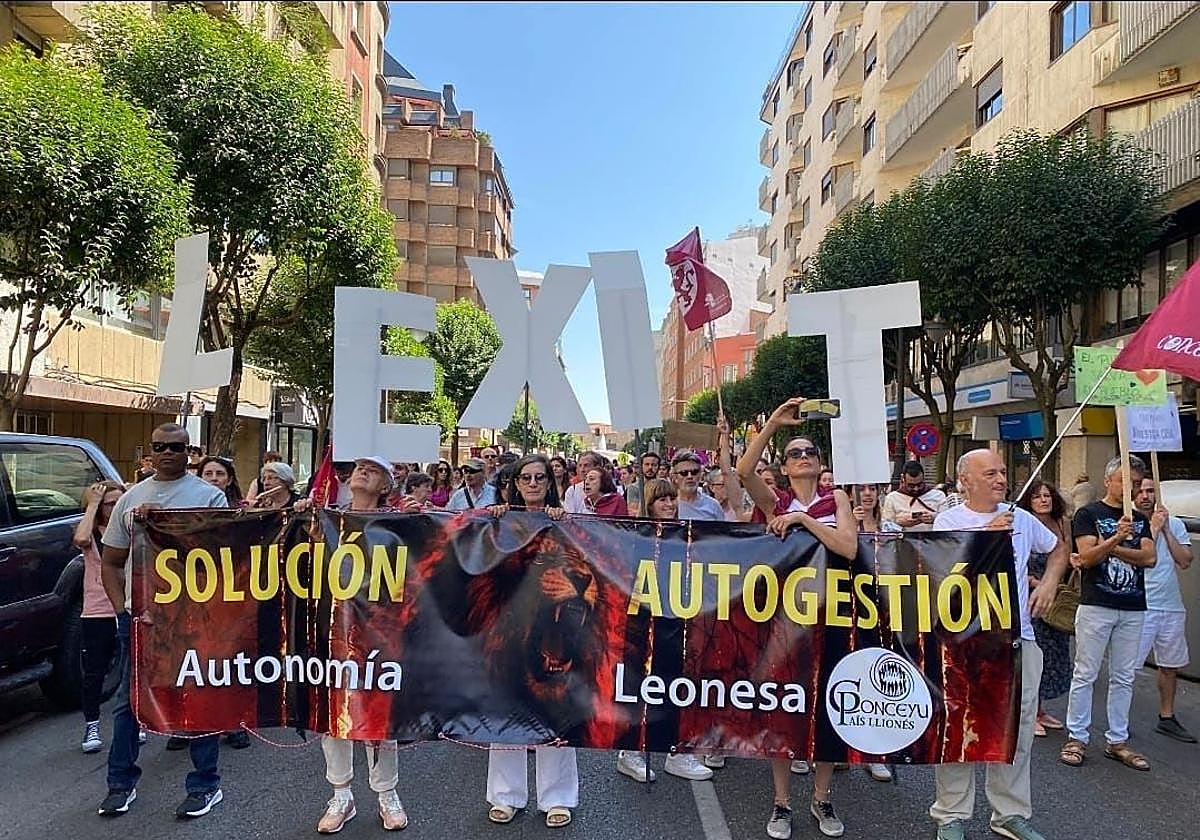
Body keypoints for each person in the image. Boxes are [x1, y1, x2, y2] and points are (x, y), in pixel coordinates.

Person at [737, 398, 861, 840]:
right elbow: (743, 471)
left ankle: (822, 798)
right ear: (785, 468)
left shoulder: (837, 498)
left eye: (810, 452)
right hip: (786, 623)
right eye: (795, 454)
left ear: (819, 463)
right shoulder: (777, 501)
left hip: (834, 618)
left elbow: (847, 547)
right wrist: (772, 421)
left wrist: (803, 522)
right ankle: (782, 802)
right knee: (783, 709)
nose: (803, 457)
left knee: (831, 708)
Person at [930, 449, 1065, 840]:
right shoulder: (948, 520)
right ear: (965, 481)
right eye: (989, 473)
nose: (1000, 478)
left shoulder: (1021, 518)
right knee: (959, 727)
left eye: (1003, 471)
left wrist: (1052, 580)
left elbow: (1057, 548)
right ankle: (951, 814)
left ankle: (1009, 813)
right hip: (963, 644)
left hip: (1017, 641)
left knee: (1018, 731)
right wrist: (982, 540)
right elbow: (937, 573)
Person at [98, 423, 229, 819]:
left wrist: (170, 525)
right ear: (150, 452)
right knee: (129, 704)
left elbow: (222, 555)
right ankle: (120, 785)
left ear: (189, 452)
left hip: (192, 618)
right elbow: (110, 561)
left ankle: (206, 785)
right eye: (160, 446)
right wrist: (122, 607)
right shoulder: (130, 499)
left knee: (197, 696)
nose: (168, 452)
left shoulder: (209, 496)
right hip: (142, 619)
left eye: (177, 447)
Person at [313, 456, 408, 833]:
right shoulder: (325, 519)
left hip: (379, 632)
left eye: (374, 469)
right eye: (359, 467)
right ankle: (341, 794)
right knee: (333, 712)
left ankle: (386, 793)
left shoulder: (396, 524)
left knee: (379, 713)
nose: (362, 472)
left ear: (386, 485)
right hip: (332, 626)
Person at [483, 455, 577, 829]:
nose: (534, 483)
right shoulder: (501, 520)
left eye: (541, 477)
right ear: (516, 483)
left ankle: (557, 797)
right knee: (507, 709)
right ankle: (505, 796)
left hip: (555, 629)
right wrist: (493, 519)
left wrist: (567, 526)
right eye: (527, 477)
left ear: (550, 482)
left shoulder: (566, 520)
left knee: (554, 709)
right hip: (509, 628)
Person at [1061, 456, 1157, 773]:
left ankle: (1117, 739)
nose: (1128, 487)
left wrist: (1112, 547)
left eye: (1134, 482)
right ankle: (1077, 736)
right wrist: (1116, 538)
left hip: (1132, 607)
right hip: (1096, 605)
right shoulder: (1089, 514)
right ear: (1108, 481)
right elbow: (1085, 557)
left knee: (1124, 676)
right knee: (1085, 672)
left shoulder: (1140, 519)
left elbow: (1149, 558)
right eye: (1123, 480)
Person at [1133, 475, 1195, 743]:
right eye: (1142, 491)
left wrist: (1167, 529)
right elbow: (1140, 558)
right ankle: (1117, 719)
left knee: (1170, 665)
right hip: (1140, 605)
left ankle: (1167, 716)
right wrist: (1153, 529)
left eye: (1151, 491)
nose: (1146, 496)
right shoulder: (1130, 523)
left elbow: (1185, 560)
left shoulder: (1177, 524)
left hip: (1170, 605)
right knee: (1128, 667)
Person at [1018, 481, 1073, 737]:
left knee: (1053, 656)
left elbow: (1063, 554)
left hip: (1055, 597)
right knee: (1034, 653)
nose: (1044, 500)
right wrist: (1034, 582)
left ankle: (1040, 709)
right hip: (1030, 597)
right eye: (1038, 496)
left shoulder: (1062, 523)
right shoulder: (1023, 522)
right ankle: (1028, 712)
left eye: (1047, 495)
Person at [75, 480, 125, 754]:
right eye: (110, 503)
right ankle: (92, 723)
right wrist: (93, 505)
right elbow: (80, 539)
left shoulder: (130, 529)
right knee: (95, 668)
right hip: (98, 607)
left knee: (135, 668)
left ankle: (136, 720)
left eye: (120, 502)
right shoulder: (93, 533)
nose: (115, 508)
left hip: (129, 604)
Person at [881, 460, 946, 532]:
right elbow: (885, 526)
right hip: (903, 541)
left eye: (919, 484)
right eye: (911, 486)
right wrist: (899, 523)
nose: (916, 489)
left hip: (933, 540)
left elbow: (948, 521)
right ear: (903, 479)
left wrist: (934, 518)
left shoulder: (938, 495)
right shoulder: (892, 498)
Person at [671, 451, 724, 522]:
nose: (689, 476)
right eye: (684, 473)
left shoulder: (713, 506)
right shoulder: (669, 506)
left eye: (694, 472)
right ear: (675, 478)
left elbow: (722, 532)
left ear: (700, 475)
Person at [623, 451, 661, 517]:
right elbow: (633, 512)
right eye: (647, 464)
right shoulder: (634, 488)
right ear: (641, 466)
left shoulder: (663, 487)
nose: (650, 467)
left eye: (654, 465)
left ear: (658, 467)